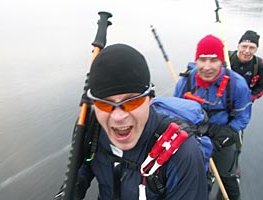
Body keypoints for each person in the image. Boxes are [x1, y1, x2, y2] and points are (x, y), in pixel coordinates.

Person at [74, 44, 208, 199]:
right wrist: (75, 186)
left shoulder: (183, 152)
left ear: (150, 99)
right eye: (104, 103)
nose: (118, 116)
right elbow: (87, 161)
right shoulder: (90, 126)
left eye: (132, 101)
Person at [174, 34, 252, 200]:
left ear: (222, 62)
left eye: (213, 60)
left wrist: (228, 132)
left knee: (227, 180)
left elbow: (243, 116)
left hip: (222, 138)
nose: (207, 67)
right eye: (202, 60)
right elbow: (174, 113)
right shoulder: (185, 83)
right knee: (196, 181)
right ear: (196, 60)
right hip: (194, 138)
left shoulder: (237, 85)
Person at [229, 30, 263, 102]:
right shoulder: (226, 57)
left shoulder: (260, 65)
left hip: (243, 101)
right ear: (238, 46)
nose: (247, 51)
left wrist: (250, 98)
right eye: (244, 46)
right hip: (222, 100)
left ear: (256, 49)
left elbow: (261, 87)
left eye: (251, 48)